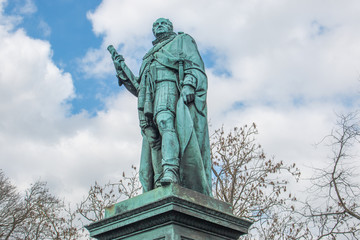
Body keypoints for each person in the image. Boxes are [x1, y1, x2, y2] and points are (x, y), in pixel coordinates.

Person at [109, 18, 211, 196]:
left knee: (165, 122)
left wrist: (189, 83)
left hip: (168, 86)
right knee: (153, 137)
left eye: (163, 23)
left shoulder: (181, 40)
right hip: (148, 96)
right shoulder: (148, 57)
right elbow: (138, 87)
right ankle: (159, 180)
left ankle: (171, 171)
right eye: (155, 25)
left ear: (171, 26)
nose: (159, 26)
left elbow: (195, 65)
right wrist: (121, 69)